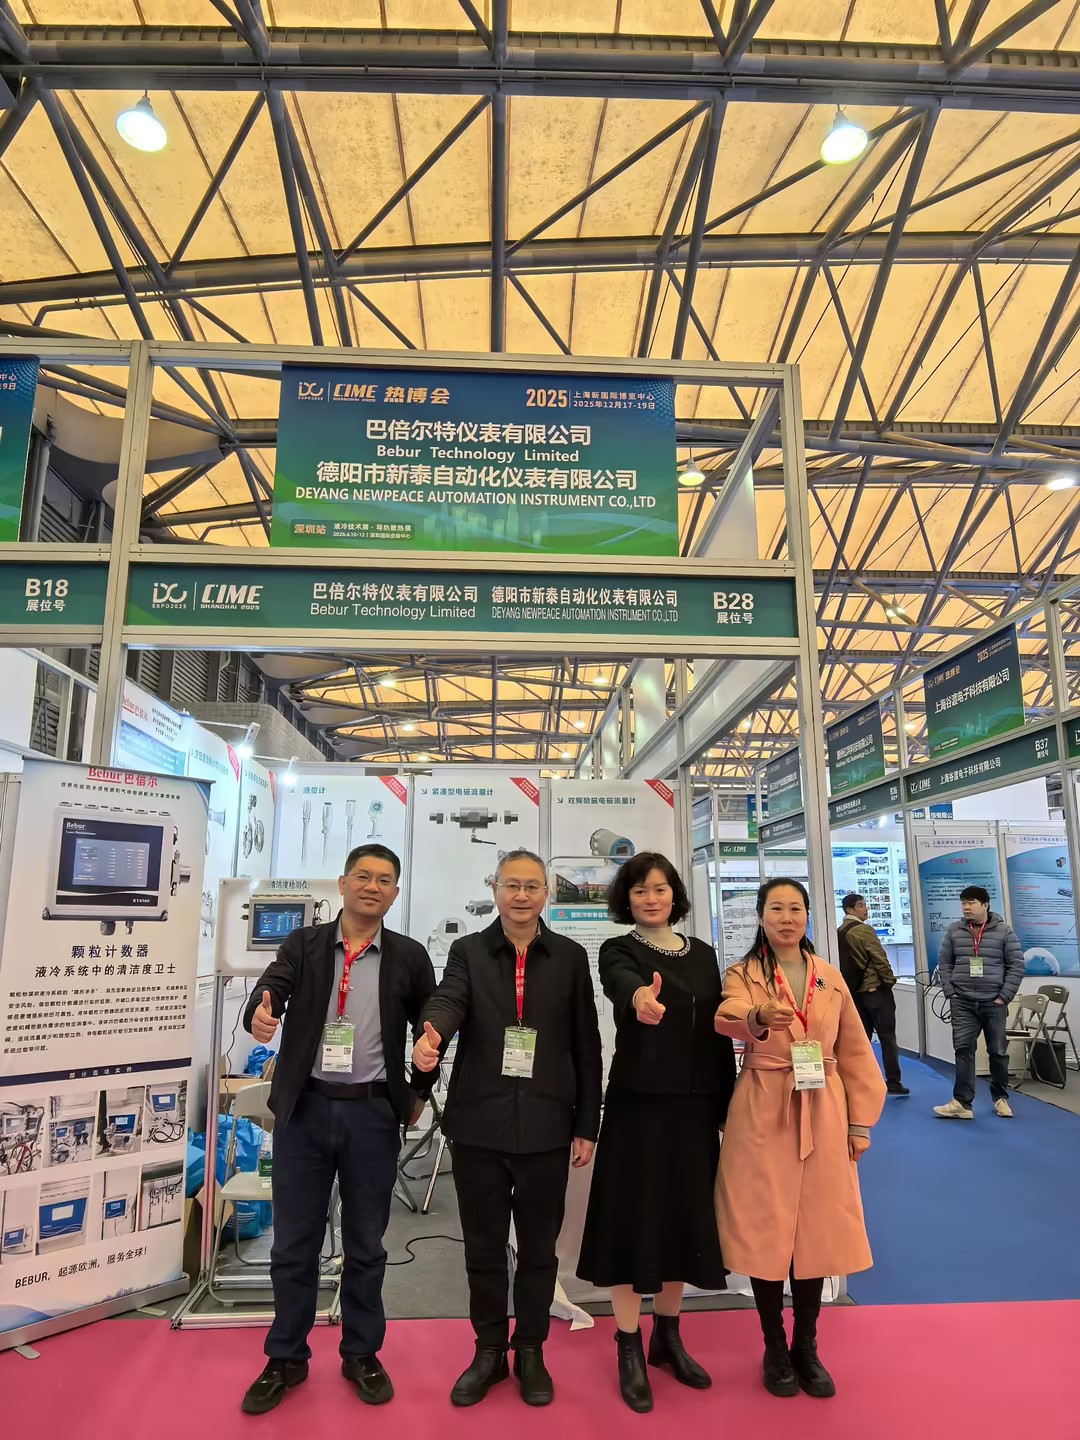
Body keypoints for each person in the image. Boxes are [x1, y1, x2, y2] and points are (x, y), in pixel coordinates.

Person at [239, 844, 437, 1416]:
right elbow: (270, 990)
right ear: (343, 883)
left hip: (372, 1113)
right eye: (363, 876)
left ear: (394, 892)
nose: (373, 886)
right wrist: (260, 1013)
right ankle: (285, 1356)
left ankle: (361, 1353)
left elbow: (432, 1028)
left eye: (384, 880)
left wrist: (419, 1090)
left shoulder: (409, 956)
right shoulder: (304, 944)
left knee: (367, 1243)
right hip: (305, 1110)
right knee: (293, 1243)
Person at [412, 849, 602, 1409]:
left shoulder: (569, 957)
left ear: (546, 893)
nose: (521, 895)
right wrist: (432, 1031)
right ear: (494, 889)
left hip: (548, 1125)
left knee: (539, 1251)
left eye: (532, 886)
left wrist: (587, 1122)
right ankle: (490, 1350)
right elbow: (450, 998)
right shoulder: (469, 951)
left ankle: (531, 1349)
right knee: (484, 1250)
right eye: (511, 885)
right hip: (479, 1126)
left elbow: (586, 1044)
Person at [714, 878, 886, 1400]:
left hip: (824, 1108)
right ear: (761, 917)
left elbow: (855, 1050)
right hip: (763, 1105)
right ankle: (773, 1343)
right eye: (776, 909)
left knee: (816, 1228)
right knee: (766, 1227)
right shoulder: (743, 973)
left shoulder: (829, 977)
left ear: (808, 915)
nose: (786, 918)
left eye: (795, 908)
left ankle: (806, 1345)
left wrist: (860, 1122)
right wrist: (757, 1017)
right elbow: (726, 1016)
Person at [576, 853, 736, 1414]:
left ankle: (668, 1337)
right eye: (640, 889)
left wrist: (725, 1102)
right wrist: (640, 998)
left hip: (695, 1109)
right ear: (627, 898)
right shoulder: (618, 949)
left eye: (660, 888)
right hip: (638, 1107)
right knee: (632, 1219)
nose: (651, 898)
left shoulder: (705, 954)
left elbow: (717, 1032)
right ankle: (628, 1343)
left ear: (675, 895)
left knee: (684, 1219)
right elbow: (622, 985)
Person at [933, 885, 1025, 1121]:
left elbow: (1016, 966)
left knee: (997, 1051)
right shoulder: (954, 931)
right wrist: (951, 992)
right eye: (963, 902)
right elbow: (945, 963)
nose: (966, 907)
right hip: (962, 1001)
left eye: (971, 902)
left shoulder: (1004, 932)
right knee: (963, 1050)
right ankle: (962, 1103)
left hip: (994, 1002)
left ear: (985, 905)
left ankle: (1000, 1098)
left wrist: (1003, 997)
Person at [837, 893, 908, 1095]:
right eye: (860, 905)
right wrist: (889, 981)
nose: (865, 908)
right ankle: (893, 1082)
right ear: (850, 909)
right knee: (887, 1038)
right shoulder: (863, 930)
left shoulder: (839, 932)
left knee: (861, 1039)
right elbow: (879, 959)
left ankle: (858, 1081)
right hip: (875, 991)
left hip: (855, 992)